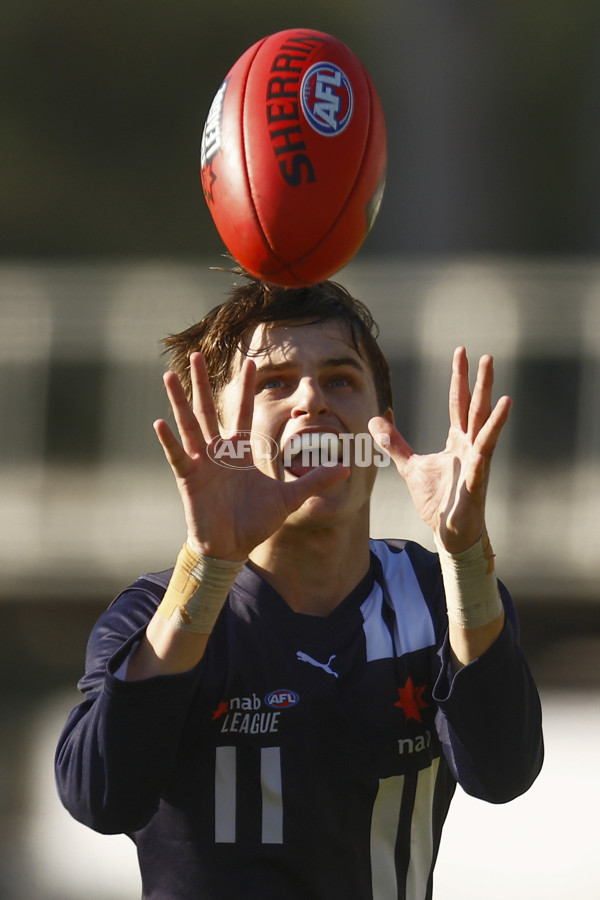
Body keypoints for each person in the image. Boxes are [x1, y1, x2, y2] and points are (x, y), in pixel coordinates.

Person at [55, 278, 543, 900]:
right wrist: (206, 565)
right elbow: (101, 798)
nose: (311, 398)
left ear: (381, 429)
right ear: (219, 433)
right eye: (273, 383)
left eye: (340, 378)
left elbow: (502, 772)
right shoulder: (157, 614)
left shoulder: (435, 592)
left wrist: (466, 554)